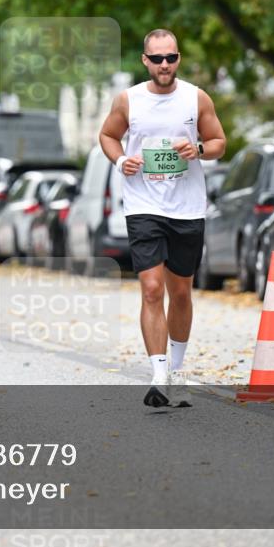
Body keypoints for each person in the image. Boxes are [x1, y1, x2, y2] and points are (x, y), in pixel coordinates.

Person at [98, 29, 227, 407]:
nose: (164, 65)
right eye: (157, 59)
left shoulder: (196, 98)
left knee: (181, 292)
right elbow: (107, 136)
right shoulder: (129, 100)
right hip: (144, 205)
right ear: (145, 61)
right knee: (152, 289)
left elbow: (219, 143)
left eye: (170, 57)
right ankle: (158, 375)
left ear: (178, 58)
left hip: (187, 207)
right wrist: (122, 160)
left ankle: (178, 370)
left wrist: (198, 149)